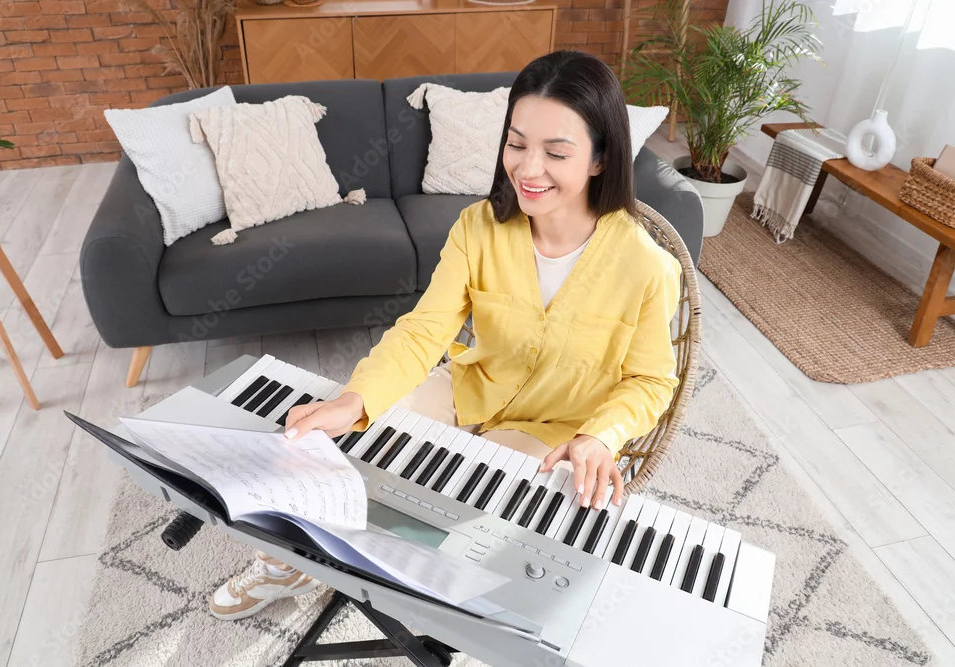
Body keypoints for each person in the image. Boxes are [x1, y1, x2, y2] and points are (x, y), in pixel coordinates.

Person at [209, 49, 683, 621]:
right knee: (325, 441)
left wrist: (603, 437)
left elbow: (651, 381)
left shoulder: (648, 267)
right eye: (516, 144)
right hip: (466, 391)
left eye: (557, 153)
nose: (528, 170)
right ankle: (289, 563)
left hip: (553, 431)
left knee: (461, 540)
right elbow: (425, 330)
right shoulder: (478, 226)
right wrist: (355, 400)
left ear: (601, 159)